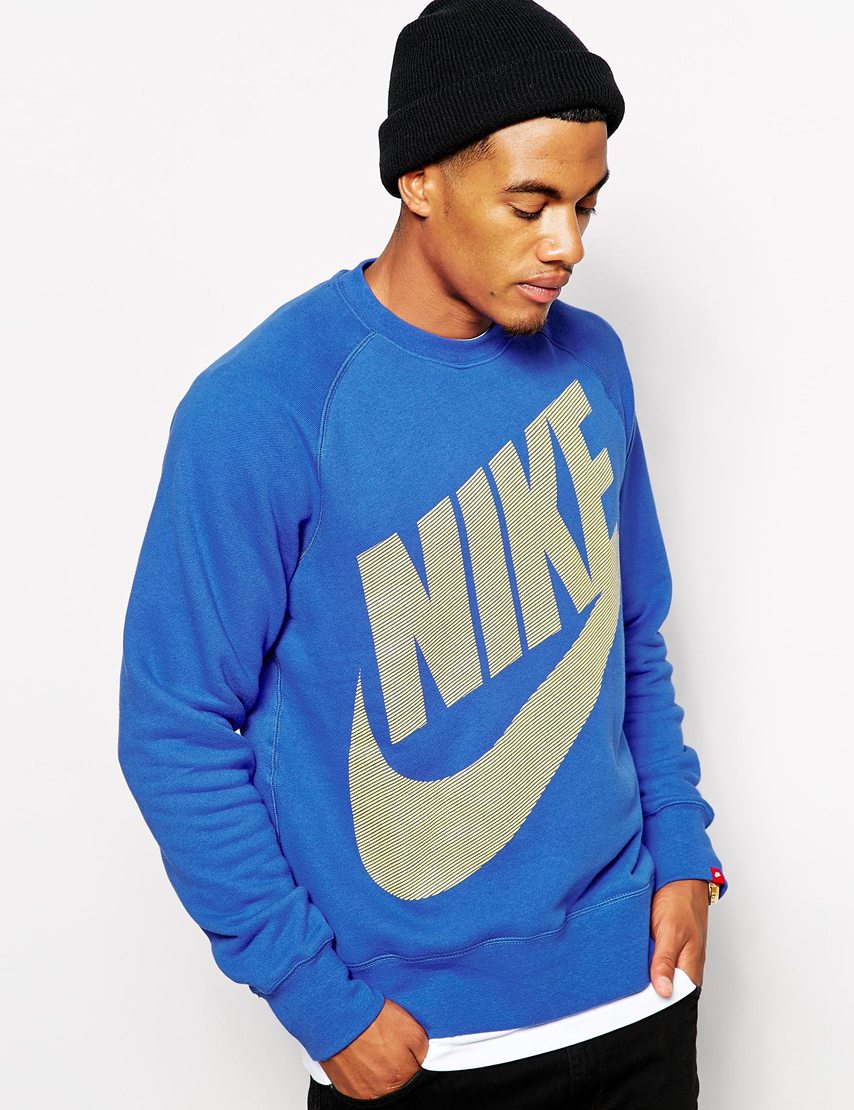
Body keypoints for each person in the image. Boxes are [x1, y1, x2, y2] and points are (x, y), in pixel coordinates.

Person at [117, 1, 729, 1106]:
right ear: (419, 180)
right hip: (419, 1045)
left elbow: (630, 634)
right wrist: (316, 998)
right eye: (530, 205)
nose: (568, 245)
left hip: (634, 997)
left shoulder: (593, 365)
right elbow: (175, 727)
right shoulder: (265, 405)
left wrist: (684, 853)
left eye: (587, 205)